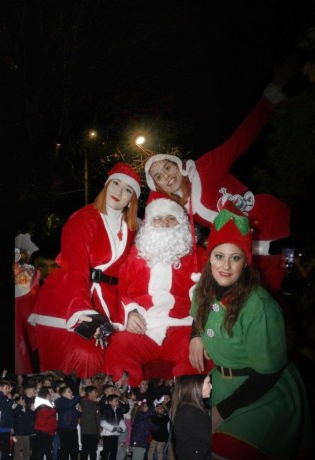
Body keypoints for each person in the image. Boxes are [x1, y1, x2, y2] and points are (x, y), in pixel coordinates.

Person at [143, 67, 296, 292]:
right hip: (240, 254)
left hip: (266, 223)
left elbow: (238, 141)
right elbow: (153, 222)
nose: (166, 175)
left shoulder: (205, 169)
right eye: (158, 176)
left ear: (179, 167)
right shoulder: (177, 209)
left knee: (270, 300)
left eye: (168, 167)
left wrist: (269, 98)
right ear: (158, 186)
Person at [190, 207, 313, 458]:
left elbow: (267, 375)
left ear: (246, 262)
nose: (225, 266)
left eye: (235, 258)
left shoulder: (260, 306)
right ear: (209, 257)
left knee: (225, 450)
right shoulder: (205, 287)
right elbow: (198, 316)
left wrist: (222, 411)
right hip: (224, 384)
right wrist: (196, 336)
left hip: (263, 391)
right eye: (219, 255)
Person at [28, 163, 141, 377]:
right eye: (115, 183)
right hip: (67, 299)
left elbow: (130, 275)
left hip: (107, 302)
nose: (118, 192)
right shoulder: (82, 219)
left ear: (132, 199)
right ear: (106, 185)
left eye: (127, 189)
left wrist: (132, 308)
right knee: (85, 356)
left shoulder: (132, 229)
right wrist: (83, 311)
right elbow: (74, 269)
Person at [104, 195, 208, 382]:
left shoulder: (198, 256)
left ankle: (187, 405)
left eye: (171, 219)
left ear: (182, 224)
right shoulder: (134, 255)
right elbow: (119, 289)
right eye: (158, 219)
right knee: (118, 348)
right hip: (143, 326)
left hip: (182, 327)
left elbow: (210, 296)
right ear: (149, 224)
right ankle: (124, 406)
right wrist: (130, 313)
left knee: (197, 360)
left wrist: (198, 334)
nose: (164, 224)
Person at [169, 374, 211, 460]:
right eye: (208, 382)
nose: (211, 386)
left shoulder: (187, 409)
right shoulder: (190, 412)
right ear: (196, 385)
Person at [53, 385, 80, 460]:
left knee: (74, 448)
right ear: (63, 394)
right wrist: (79, 396)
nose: (71, 392)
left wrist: (80, 412)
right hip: (64, 428)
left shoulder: (71, 403)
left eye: (71, 391)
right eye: (69, 391)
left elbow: (75, 413)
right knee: (65, 448)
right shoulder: (60, 401)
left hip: (72, 428)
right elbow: (69, 405)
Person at [98, 395, 125, 460]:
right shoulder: (105, 409)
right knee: (106, 452)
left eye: (118, 401)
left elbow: (121, 420)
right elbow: (102, 422)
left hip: (115, 434)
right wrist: (113, 428)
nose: (117, 402)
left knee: (114, 452)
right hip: (107, 434)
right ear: (110, 402)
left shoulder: (118, 410)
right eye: (115, 401)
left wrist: (122, 428)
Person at [78, 385, 101, 460]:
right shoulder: (84, 401)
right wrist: (96, 403)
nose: (96, 394)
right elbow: (92, 411)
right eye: (95, 392)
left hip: (94, 431)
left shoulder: (92, 402)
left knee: (93, 451)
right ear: (90, 393)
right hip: (87, 431)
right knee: (85, 451)